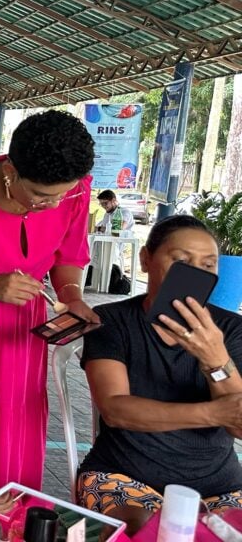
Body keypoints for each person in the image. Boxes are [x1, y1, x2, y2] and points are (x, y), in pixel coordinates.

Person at [0, 109, 97, 490]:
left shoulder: (75, 189)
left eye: (62, 194)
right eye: (40, 194)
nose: (53, 203)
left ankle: (11, 512)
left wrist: (71, 296)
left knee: (18, 418)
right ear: (10, 170)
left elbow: (68, 256)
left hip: (23, 330)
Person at [78, 215, 242, 535]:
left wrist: (214, 359)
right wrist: (212, 412)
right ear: (145, 260)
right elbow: (115, 410)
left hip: (220, 485)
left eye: (208, 265)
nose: (195, 272)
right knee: (144, 532)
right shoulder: (112, 320)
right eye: (181, 260)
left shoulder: (231, 331)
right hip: (124, 474)